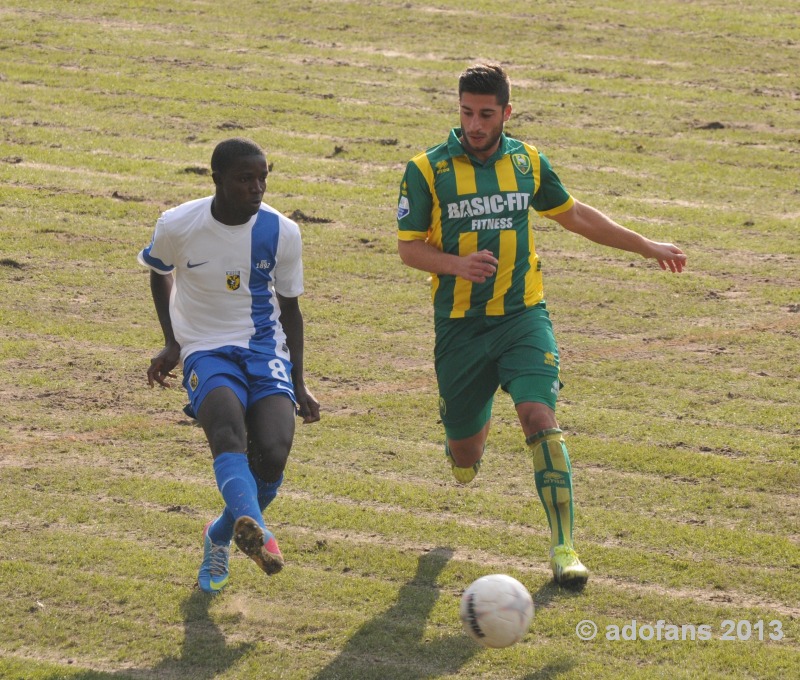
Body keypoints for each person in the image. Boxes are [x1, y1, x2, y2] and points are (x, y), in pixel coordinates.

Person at [396, 63, 685, 588]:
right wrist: (456, 264)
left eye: (486, 114)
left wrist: (646, 245)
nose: (475, 124)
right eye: (466, 112)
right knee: (467, 458)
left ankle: (564, 548)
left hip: (523, 316)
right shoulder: (427, 170)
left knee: (538, 415)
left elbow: (575, 215)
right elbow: (408, 248)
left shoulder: (528, 162)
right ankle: (460, 443)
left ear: (508, 112)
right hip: (459, 328)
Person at [138, 137, 320, 594]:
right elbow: (159, 268)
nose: (257, 187)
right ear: (216, 179)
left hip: (264, 349)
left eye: (263, 177)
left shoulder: (282, 231)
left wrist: (300, 381)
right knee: (226, 432)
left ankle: (221, 534)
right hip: (205, 348)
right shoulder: (178, 224)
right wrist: (173, 341)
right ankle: (264, 537)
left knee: (274, 452)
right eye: (245, 179)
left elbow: (291, 310)